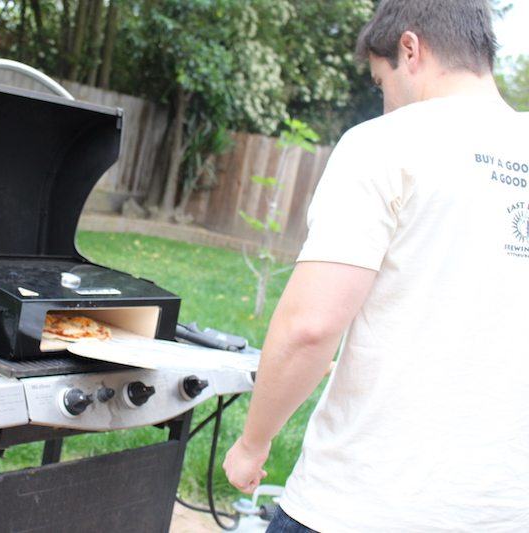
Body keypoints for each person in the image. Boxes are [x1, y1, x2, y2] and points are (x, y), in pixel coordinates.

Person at [222, 0, 529, 531]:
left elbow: (309, 327)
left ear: (410, 49)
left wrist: (253, 444)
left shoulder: (385, 143)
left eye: (380, 82)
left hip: (364, 504)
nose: (385, 102)